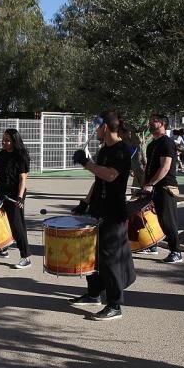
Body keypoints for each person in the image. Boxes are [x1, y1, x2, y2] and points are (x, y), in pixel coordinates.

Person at [70, 111, 136, 321]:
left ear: (105, 127)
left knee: (110, 259)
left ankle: (115, 304)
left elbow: (110, 175)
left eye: (97, 126)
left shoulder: (122, 150)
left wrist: (87, 164)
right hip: (98, 209)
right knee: (92, 254)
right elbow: (99, 180)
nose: (95, 130)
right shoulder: (103, 150)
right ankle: (94, 293)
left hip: (114, 212)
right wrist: (85, 203)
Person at [0, 128, 32, 269]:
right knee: (1, 222)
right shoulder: (2, 154)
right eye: (3, 139)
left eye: (7, 140)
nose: (4, 142)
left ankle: (26, 257)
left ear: (14, 141)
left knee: (17, 225)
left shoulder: (21, 156)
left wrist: (19, 198)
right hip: (2, 192)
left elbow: (23, 179)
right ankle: (3, 250)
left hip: (15, 194)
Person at [140, 113, 183, 263]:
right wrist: (145, 183)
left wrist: (151, 184)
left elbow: (165, 167)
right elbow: (148, 167)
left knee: (167, 220)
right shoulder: (152, 144)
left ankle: (176, 252)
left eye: (155, 121)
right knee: (151, 217)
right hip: (151, 187)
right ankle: (152, 245)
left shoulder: (167, 143)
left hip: (165, 187)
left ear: (163, 124)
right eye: (150, 121)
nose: (151, 123)